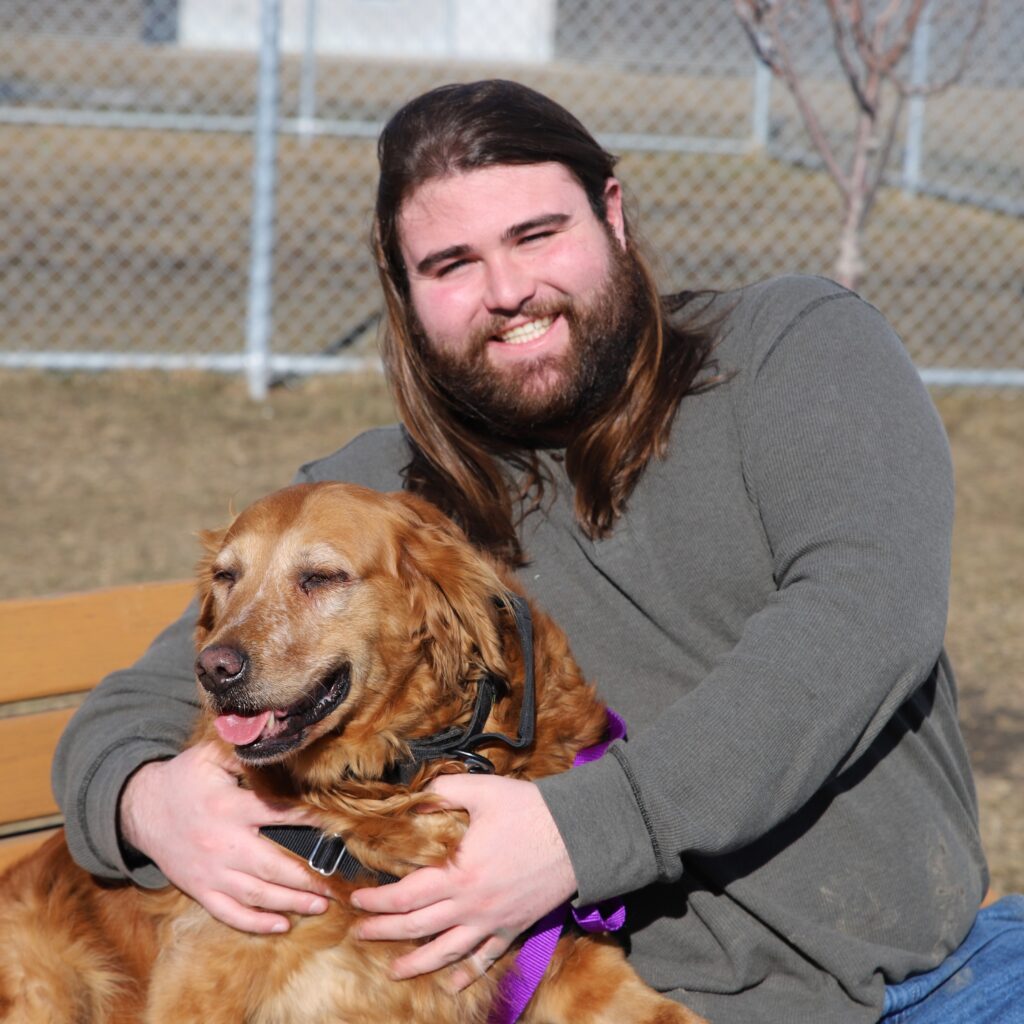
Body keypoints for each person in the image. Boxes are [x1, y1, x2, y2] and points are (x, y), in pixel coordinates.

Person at [53, 80, 1021, 1023]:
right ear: (404, 291)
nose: (508, 291)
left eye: (536, 234)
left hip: (935, 979)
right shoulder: (383, 499)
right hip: (636, 1001)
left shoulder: (790, 349)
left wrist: (578, 835)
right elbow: (147, 701)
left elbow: (862, 614)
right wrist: (147, 802)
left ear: (612, 214)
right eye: (451, 264)